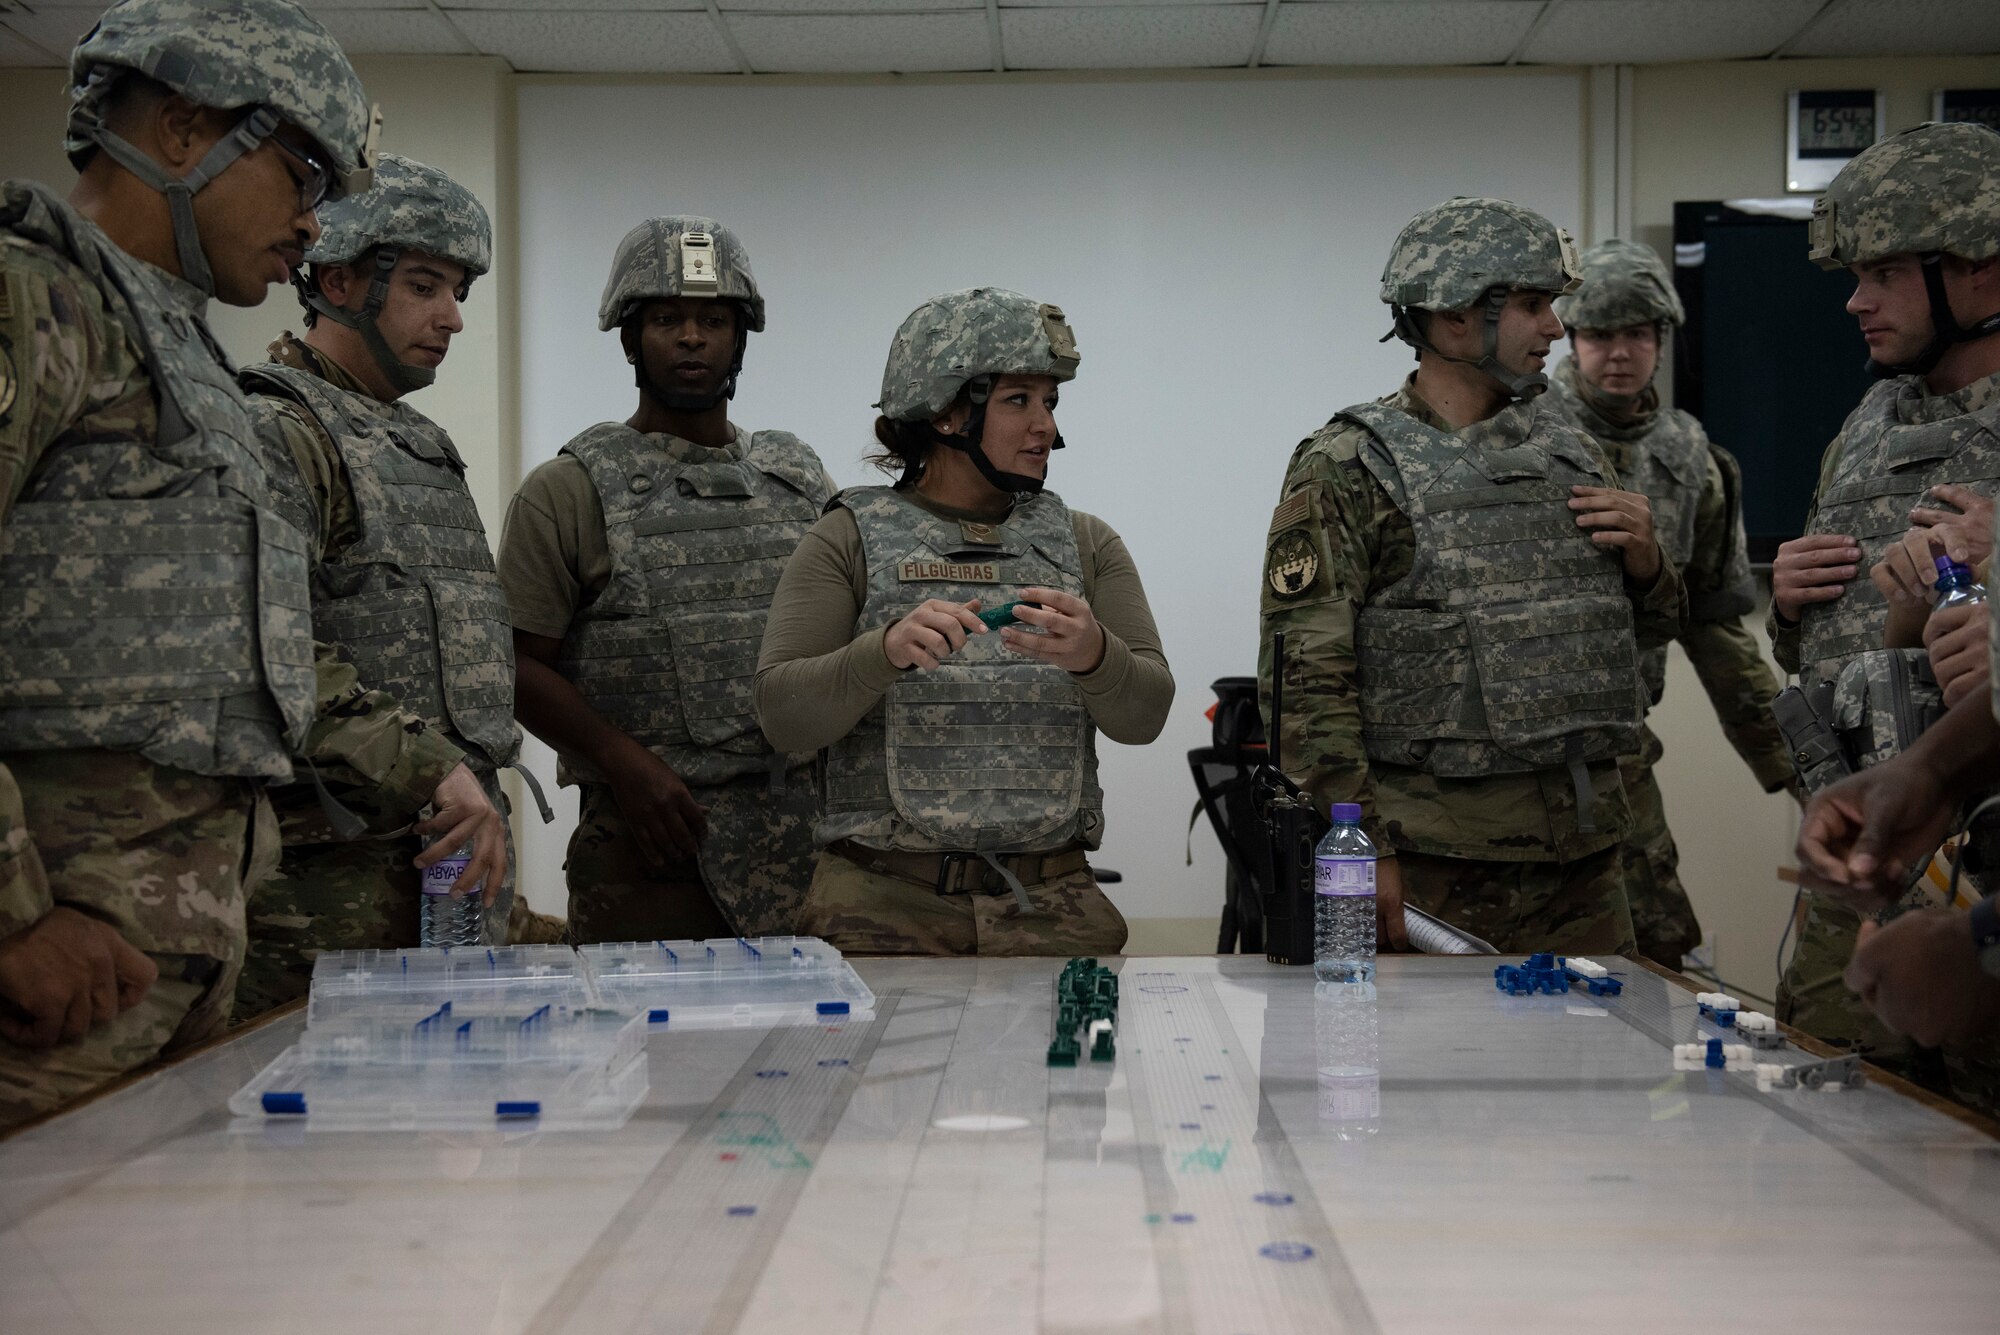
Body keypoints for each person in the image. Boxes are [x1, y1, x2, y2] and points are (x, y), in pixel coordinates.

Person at [0, 0, 375, 1127]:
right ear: (179, 130)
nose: (315, 228)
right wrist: (12, 918)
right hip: (49, 987)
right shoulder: (36, 295)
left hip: (173, 969)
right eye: (302, 174)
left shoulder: (190, 358)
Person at [1258, 197, 1684, 958]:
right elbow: (1305, 689)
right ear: (1454, 318)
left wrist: (1649, 566)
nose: (1555, 326)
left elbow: (1635, 640)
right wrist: (1364, 852)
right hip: (1437, 869)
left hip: (1585, 861)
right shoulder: (1349, 465)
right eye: (1530, 304)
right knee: (1440, 1077)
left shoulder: (1576, 449)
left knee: (1597, 1072)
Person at [753, 287, 1173, 955]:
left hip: (1052, 911)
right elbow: (781, 714)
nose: (1048, 427)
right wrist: (881, 653)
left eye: (1050, 401)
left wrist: (1097, 654)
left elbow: (1146, 714)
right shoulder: (848, 537)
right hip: (883, 911)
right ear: (947, 413)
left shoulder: (1087, 543)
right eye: (1018, 400)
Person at [233, 154, 539, 1017]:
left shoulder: (417, 445)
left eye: (458, 294)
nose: (451, 318)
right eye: (423, 286)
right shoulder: (278, 428)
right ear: (337, 282)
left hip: (442, 886)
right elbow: (268, 649)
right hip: (323, 905)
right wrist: (429, 768)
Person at [501, 217, 830, 942]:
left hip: (806, 847)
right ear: (629, 338)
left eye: (713, 319)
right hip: (652, 847)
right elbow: (517, 663)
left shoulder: (797, 478)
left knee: (811, 1055)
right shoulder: (568, 489)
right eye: (667, 318)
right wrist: (621, 761)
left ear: (740, 338)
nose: (691, 337)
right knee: (643, 1052)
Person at [1766, 122, 2000, 1063]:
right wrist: (1790, 607)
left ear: (1980, 265)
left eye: (1887, 273)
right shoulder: (1870, 420)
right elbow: (1822, 655)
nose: (1857, 302)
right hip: (1867, 858)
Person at [1548, 238, 1792, 967]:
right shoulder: (1518, 437)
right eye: (1598, 333)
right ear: (1571, 336)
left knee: (1657, 951)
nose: (1618, 352)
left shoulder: (1694, 462)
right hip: (1507, 761)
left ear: (1661, 339)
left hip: (1618, 748)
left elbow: (1717, 630)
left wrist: (1802, 771)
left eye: (1637, 333)